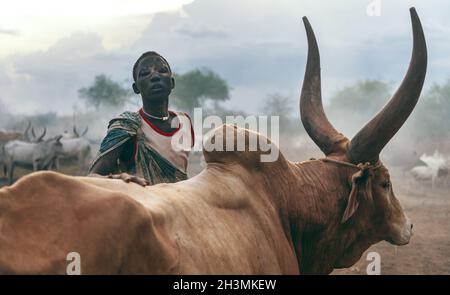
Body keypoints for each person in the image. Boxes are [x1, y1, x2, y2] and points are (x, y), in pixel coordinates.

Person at [88, 51, 194, 186]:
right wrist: (120, 178)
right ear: (136, 88)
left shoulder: (184, 122)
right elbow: (92, 177)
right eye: (145, 74)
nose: (155, 76)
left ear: (172, 83)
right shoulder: (127, 127)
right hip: (142, 205)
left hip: (179, 204)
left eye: (162, 71)